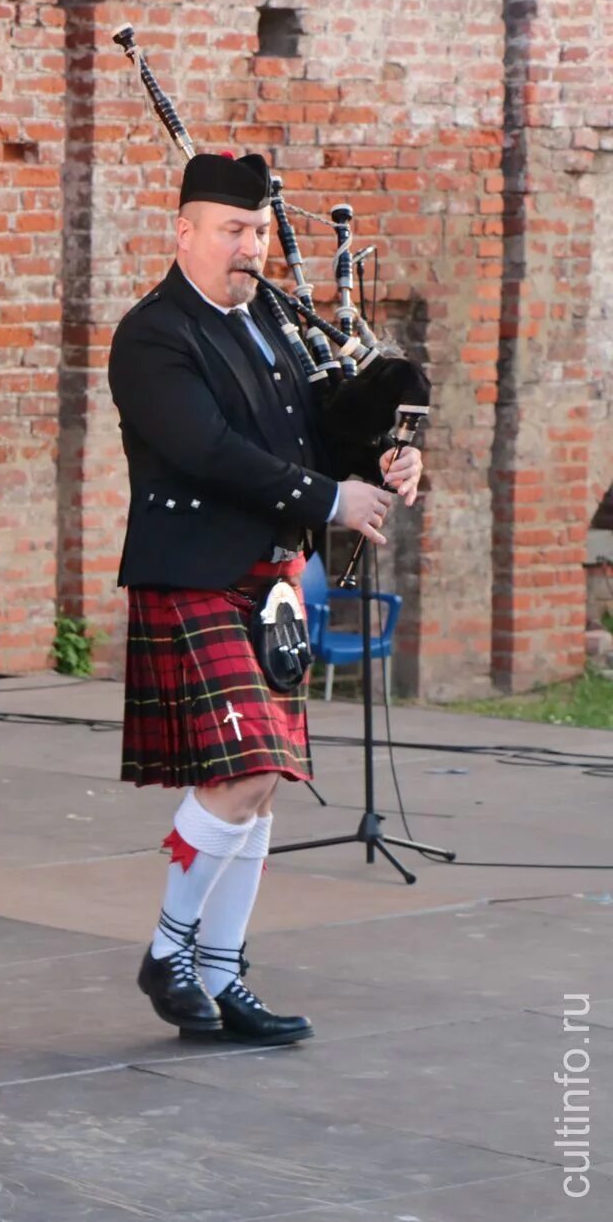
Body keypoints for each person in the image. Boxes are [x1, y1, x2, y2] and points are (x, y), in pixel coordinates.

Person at [109, 152, 421, 1045]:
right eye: (230, 231)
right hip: (195, 571)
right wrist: (330, 500)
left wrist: (383, 459)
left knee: (261, 787)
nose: (249, 248)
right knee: (243, 772)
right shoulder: (154, 335)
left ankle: (218, 970)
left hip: (269, 578)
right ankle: (171, 949)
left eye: (255, 232)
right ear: (185, 232)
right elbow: (206, 449)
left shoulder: (269, 329)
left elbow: (318, 432)